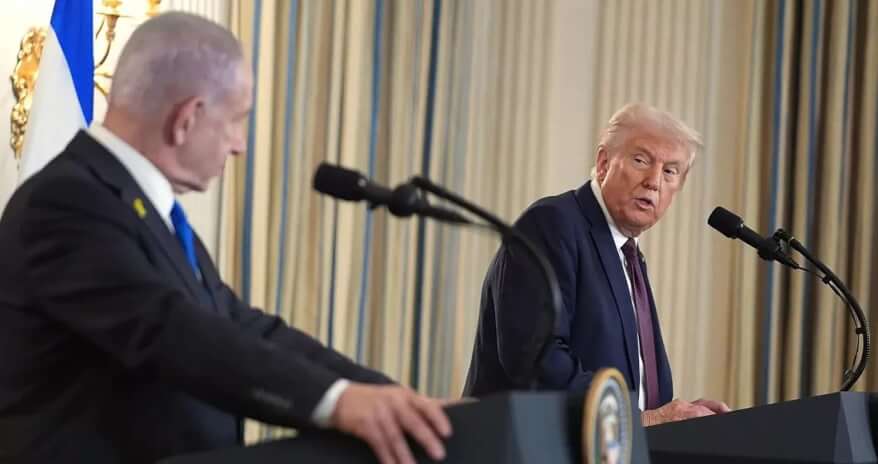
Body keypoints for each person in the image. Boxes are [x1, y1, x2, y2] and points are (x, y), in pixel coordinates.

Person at [0, 12, 449, 464]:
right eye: (237, 120)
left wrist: (388, 397)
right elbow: (170, 329)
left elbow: (239, 325)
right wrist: (336, 401)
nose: (240, 144)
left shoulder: (146, 211)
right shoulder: (66, 202)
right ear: (187, 118)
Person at [463, 103, 729, 426]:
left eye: (670, 171)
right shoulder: (552, 224)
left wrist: (675, 414)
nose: (654, 181)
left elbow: (627, 377)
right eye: (641, 160)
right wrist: (643, 419)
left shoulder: (628, 254)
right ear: (603, 163)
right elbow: (537, 361)